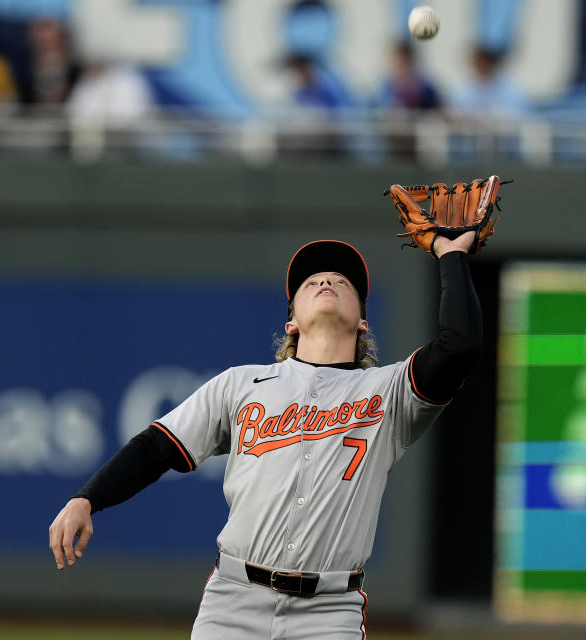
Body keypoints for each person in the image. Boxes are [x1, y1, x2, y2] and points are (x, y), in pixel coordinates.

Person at [50, 230, 483, 638]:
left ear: (363, 323)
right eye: (312, 280)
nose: (327, 281)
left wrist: (451, 256)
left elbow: (458, 346)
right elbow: (156, 447)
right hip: (233, 601)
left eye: (342, 281)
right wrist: (87, 497)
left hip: (329, 612)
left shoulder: (390, 392)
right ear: (291, 321)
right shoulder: (242, 384)